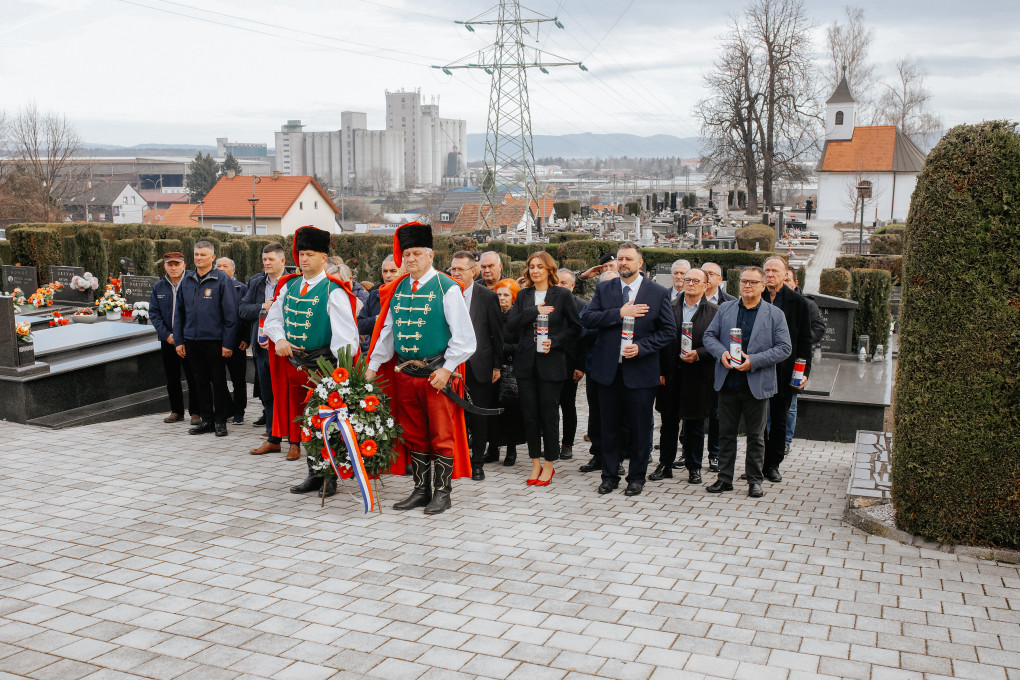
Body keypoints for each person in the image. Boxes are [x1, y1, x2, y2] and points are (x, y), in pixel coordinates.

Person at [365, 222, 475, 515]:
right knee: (413, 433)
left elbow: (465, 338)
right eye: (406, 254)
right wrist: (373, 367)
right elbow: (388, 331)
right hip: (405, 374)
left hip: (435, 374)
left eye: (415, 253)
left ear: (430, 255)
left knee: (441, 435)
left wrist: (448, 369)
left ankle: (442, 492)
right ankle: (420, 489)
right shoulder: (398, 288)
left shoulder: (446, 287)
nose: (410, 259)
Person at [263, 226, 361, 500]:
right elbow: (273, 321)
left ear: (323, 258)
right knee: (303, 424)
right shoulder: (290, 286)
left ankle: (329, 476)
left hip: (322, 370)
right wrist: (280, 339)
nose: (303, 259)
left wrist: (337, 375)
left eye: (309, 254)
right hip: (294, 367)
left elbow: (347, 340)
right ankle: (313, 472)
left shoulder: (334, 291)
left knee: (324, 424)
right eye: (301, 254)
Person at [582, 243, 676, 497]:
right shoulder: (604, 288)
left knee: (639, 428)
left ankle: (636, 478)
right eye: (620, 259)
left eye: (629, 259)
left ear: (640, 263)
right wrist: (619, 313)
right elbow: (588, 319)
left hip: (640, 372)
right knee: (609, 427)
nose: (623, 262)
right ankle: (609, 476)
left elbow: (668, 331)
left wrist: (642, 347)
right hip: (607, 372)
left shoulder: (656, 292)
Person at [703, 266, 792, 498]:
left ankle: (754, 480)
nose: (747, 286)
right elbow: (709, 336)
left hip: (756, 384)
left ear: (763, 286)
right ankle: (724, 478)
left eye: (753, 282)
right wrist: (721, 353)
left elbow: (784, 348)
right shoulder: (725, 309)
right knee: (726, 434)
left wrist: (753, 361)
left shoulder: (775, 314)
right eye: (744, 282)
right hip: (728, 382)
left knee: (756, 436)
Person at [506, 252, 581, 486]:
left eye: (540, 267)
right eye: (531, 267)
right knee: (529, 415)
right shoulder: (524, 295)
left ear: (550, 270)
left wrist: (555, 341)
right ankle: (535, 462)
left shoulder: (562, 295)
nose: (535, 271)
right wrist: (534, 311)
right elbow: (510, 325)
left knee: (549, 415)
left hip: (551, 363)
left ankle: (549, 463)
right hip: (526, 363)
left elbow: (575, 328)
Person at [652, 268, 718, 484]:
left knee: (695, 425)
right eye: (687, 279)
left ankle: (694, 466)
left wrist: (699, 354)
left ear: (706, 285)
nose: (689, 283)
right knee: (668, 423)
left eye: (695, 280)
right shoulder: (669, 307)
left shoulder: (716, 312)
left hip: (699, 376)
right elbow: (659, 341)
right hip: (670, 374)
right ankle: (665, 464)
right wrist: (660, 371)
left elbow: (720, 344)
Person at [172, 241, 238, 437]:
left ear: (212, 258)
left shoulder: (221, 280)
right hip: (192, 340)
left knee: (218, 382)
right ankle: (207, 419)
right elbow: (180, 313)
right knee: (200, 382)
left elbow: (231, 315)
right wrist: (179, 340)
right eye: (196, 254)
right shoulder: (187, 280)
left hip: (215, 342)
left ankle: (220, 421)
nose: (199, 258)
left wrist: (228, 343)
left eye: (203, 254)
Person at [449, 251, 504, 481]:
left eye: (460, 269)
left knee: (479, 416)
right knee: (453, 416)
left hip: (479, 366)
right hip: (451, 367)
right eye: (453, 269)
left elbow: (496, 334)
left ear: (473, 271)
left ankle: (477, 463)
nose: (456, 273)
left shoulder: (486, 297)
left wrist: (497, 366)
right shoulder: (446, 293)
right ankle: (452, 460)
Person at [761, 257, 813, 482]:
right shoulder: (754, 297)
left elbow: (804, 341)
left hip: (785, 370)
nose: (770, 274)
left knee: (779, 419)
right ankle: (757, 462)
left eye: (775, 271)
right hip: (757, 368)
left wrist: (803, 372)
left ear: (785, 275)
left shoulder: (798, 303)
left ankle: (773, 464)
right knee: (757, 421)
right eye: (767, 270)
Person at [240, 243, 288, 456]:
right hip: (260, 347)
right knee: (267, 393)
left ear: (282, 261)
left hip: (284, 348)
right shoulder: (257, 282)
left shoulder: (292, 282)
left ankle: (292, 436)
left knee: (285, 393)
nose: (267, 263)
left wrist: (278, 337)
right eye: (265, 259)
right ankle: (272, 436)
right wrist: (262, 307)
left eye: (271, 259)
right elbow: (243, 309)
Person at [149, 251, 200, 425]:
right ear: (165, 266)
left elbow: (196, 313)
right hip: (168, 340)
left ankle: (196, 412)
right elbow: (154, 314)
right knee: (172, 378)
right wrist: (167, 335)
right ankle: (176, 411)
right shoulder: (159, 287)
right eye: (170, 265)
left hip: (188, 340)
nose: (173, 268)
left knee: (193, 377)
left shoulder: (192, 284)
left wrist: (183, 337)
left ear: (184, 265)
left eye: (177, 264)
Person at [578, 270, 620, 475]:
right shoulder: (591, 306)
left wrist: (603, 322)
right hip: (596, 367)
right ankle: (597, 454)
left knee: (619, 415)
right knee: (596, 414)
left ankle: (617, 457)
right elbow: (583, 329)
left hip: (620, 368)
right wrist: (609, 322)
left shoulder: (626, 307)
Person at [697, 261, 735, 472]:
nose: (708, 277)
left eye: (712, 274)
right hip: (693, 365)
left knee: (717, 414)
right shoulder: (689, 298)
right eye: (705, 273)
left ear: (720, 279)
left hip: (718, 366)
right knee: (693, 413)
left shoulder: (729, 303)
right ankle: (689, 453)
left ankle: (715, 454)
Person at [491, 278, 525, 466]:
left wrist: (502, 348)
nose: (502, 298)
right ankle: (493, 448)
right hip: (491, 369)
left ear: (513, 298)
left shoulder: (517, 318)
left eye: (506, 295)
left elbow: (522, 344)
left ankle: (511, 451)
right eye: (499, 295)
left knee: (511, 412)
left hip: (510, 369)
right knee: (491, 410)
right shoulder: (492, 314)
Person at [555, 268, 587, 460]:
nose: (559, 286)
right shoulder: (548, 302)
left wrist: (580, 366)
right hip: (549, 362)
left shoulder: (582, 306)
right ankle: (551, 441)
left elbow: (583, 340)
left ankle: (567, 444)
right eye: (556, 282)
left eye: (564, 283)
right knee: (549, 406)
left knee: (568, 405)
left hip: (570, 363)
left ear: (573, 286)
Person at [215, 257, 250, 424]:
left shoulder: (242, 289)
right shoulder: (211, 286)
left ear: (233, 270)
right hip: (215, 340)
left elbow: (247, 314)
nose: (221, 269)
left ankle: (239, 411)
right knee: (218, 378)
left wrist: (246, 337)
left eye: (225, 266)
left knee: (238, 378)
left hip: (237, 341)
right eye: (218, 266)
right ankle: (225, 408)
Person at [358, 255, 400, 353]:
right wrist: (378, 319)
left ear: (404, 272)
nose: (388, 275)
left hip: (401, 355)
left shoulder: (410, 295)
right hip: (377, 354)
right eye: (385, 271)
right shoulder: (374, 295)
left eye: (393, 271)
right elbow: (360, 326)